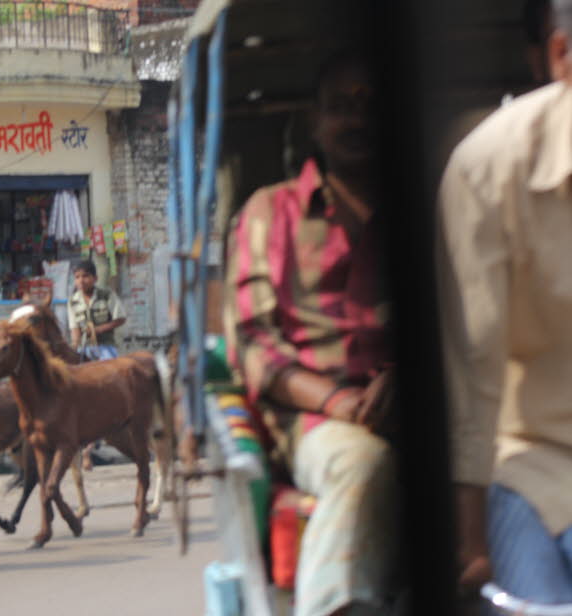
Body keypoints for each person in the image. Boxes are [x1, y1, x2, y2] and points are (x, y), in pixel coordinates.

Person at [224, 51, 398, 616]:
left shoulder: (428, 208)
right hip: (313, 418)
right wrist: (339, 401)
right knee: (363, 463)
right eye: (342, 107)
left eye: (371, 106)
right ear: (316, 120)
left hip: (416, 406)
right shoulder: (269, 212)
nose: (358, 119)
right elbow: (253, 342)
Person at [438, 0, 572, 604]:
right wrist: (470, 542)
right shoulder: (487, 170)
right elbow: (474, 372)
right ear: (561, 56)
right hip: (536, 462)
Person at [67, 259, 126, 361]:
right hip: (84, 348)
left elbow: (121, 318)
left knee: (110, 373)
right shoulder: (73, 302)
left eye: (85, 276)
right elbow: (74, 328)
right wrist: (75, 345)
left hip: (105, 347)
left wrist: (98, 330)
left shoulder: (106, 295)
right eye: (77, 277)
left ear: (95, 279)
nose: (81, 280)